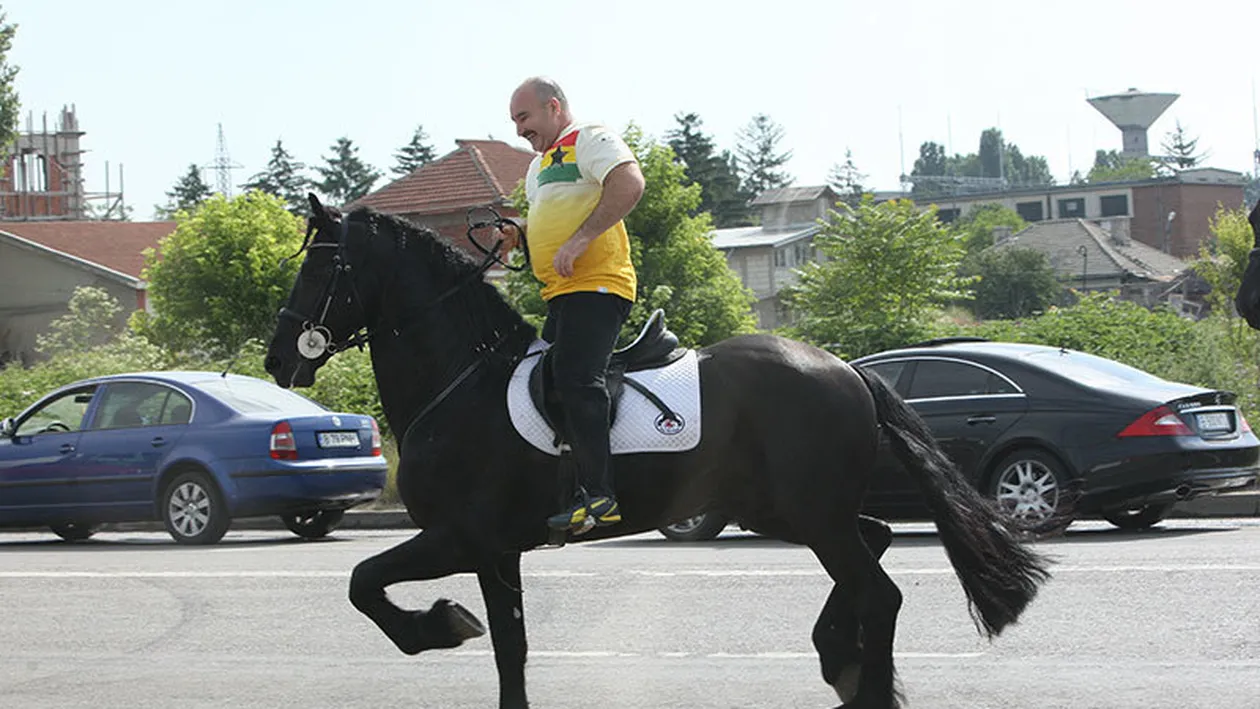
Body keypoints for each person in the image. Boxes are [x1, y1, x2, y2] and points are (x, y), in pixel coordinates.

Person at [495, 77, 645, 533]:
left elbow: (629, 183)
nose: (519, 129)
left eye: (524, 117)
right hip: (561, 295)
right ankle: (570, 489)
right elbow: (551, 217)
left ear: (554, 107)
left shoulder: (590, 138)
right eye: (514, 121)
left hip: (599, 285)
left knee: (577, 378)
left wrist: (582, 239)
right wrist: (519, 233)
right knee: (541, 381)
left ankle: (601, 496)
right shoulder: (538, 167)